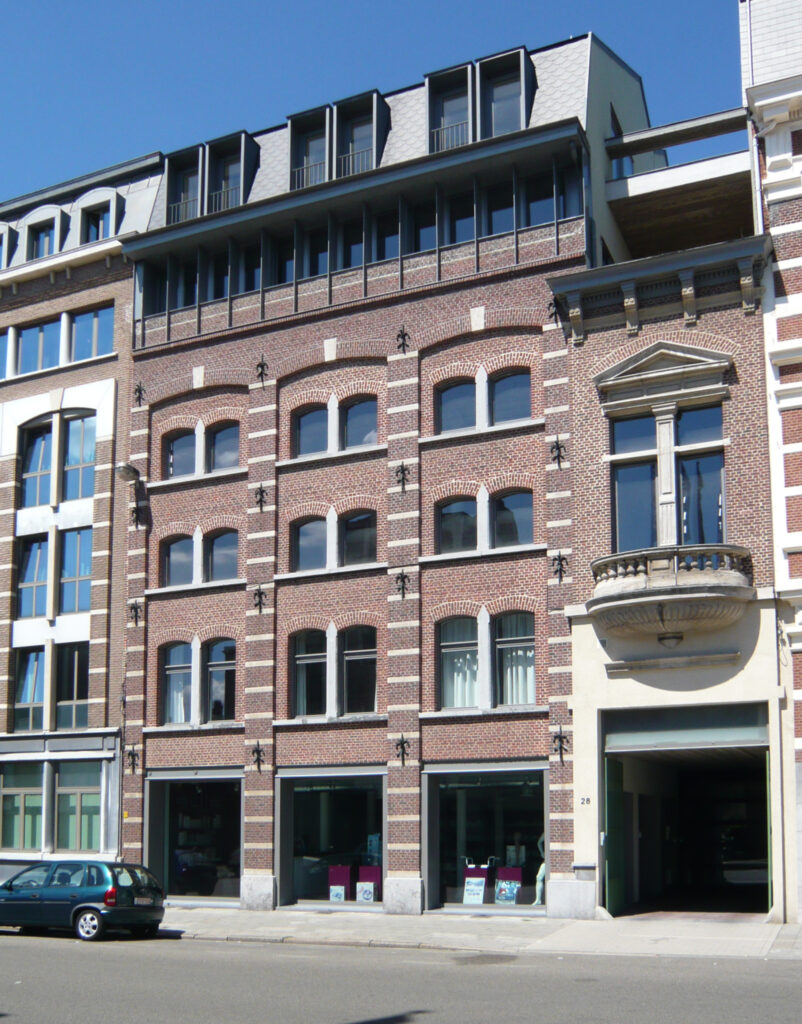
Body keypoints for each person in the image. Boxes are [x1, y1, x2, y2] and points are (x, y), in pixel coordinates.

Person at [534, 833, 546, 905]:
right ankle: (538, 900)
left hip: (553, 859)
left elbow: (539, 842)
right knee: (539, 877)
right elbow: (539, 842)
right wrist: (542, 853)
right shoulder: (546, 832)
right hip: (547, 860)